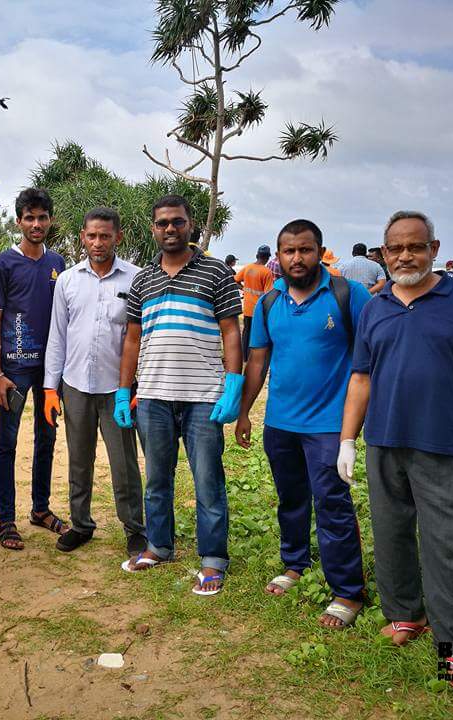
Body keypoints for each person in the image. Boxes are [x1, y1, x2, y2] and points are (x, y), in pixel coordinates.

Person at [338, 210, 453, 692]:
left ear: (434, 249)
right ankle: (405, 615)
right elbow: (361, 378)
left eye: (414, 247)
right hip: (383, 442)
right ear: (382, 254)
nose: (404, 256)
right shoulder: (375, 308)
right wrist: (347, 439)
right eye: (395, 248)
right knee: (391, 532)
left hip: (442, 444)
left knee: (450, 544)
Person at [236, 219, 369, 629]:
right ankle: (295, 565)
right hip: (281, 422)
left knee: (332, 504)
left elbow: (370, 359)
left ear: (320, 251)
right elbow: (257, 361)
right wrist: (244, 412)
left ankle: (347, 591)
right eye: (289, 251)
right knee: (290, 498)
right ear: (278, 256)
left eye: (305, 249)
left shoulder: (350, 295)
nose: (297, 258)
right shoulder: (269, 303)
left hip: (330, 424)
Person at [115, 194, 243, 596]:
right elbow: (132, 340)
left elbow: (230, 331)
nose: (170, 229)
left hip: (203, 396)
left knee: (207, 480)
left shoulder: (215, 273)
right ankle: (159, 546)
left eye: (178, 221)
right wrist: (124, 391)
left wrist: (233, 385)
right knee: (156, 479)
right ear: (153, 229)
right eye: (163, 223)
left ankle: (213, 559)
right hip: (152, 396)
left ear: (190, 225)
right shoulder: (144, 279)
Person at [43, 207, 147, 555]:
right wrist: (49, 388)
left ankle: (134, 528)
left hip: (117, 389)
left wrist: (137, 387)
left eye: (105, 236)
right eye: (92, 235)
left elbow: (143, 337)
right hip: (75, 386)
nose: (98, 242)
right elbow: (58, 336)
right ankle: (81, 524)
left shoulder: (136, 279)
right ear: (82, 238)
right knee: (79, 459)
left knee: (123, 463)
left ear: (118, 237)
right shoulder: (68, 280)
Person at [0, 188, 68, 550]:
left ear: (50, 220)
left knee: (46, 438)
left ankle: (40, 509)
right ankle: (6, 520)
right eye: (29, 218)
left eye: (42, 217)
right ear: (19, 221)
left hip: (48, 371)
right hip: (14, 370)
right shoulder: (3, 264)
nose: (36, 224)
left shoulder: (58, 264)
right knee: (8, 441)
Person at [234, 244, 275, 360]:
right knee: (256, 334)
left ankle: (243, 356)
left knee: (246, 332)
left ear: (257, 255)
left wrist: (242, 288)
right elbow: (269, 294)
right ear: (267, 258)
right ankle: (252, 357)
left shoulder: (247, 268)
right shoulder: (267, 272)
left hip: (247, 308)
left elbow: (235, 279)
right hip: (258, 310)